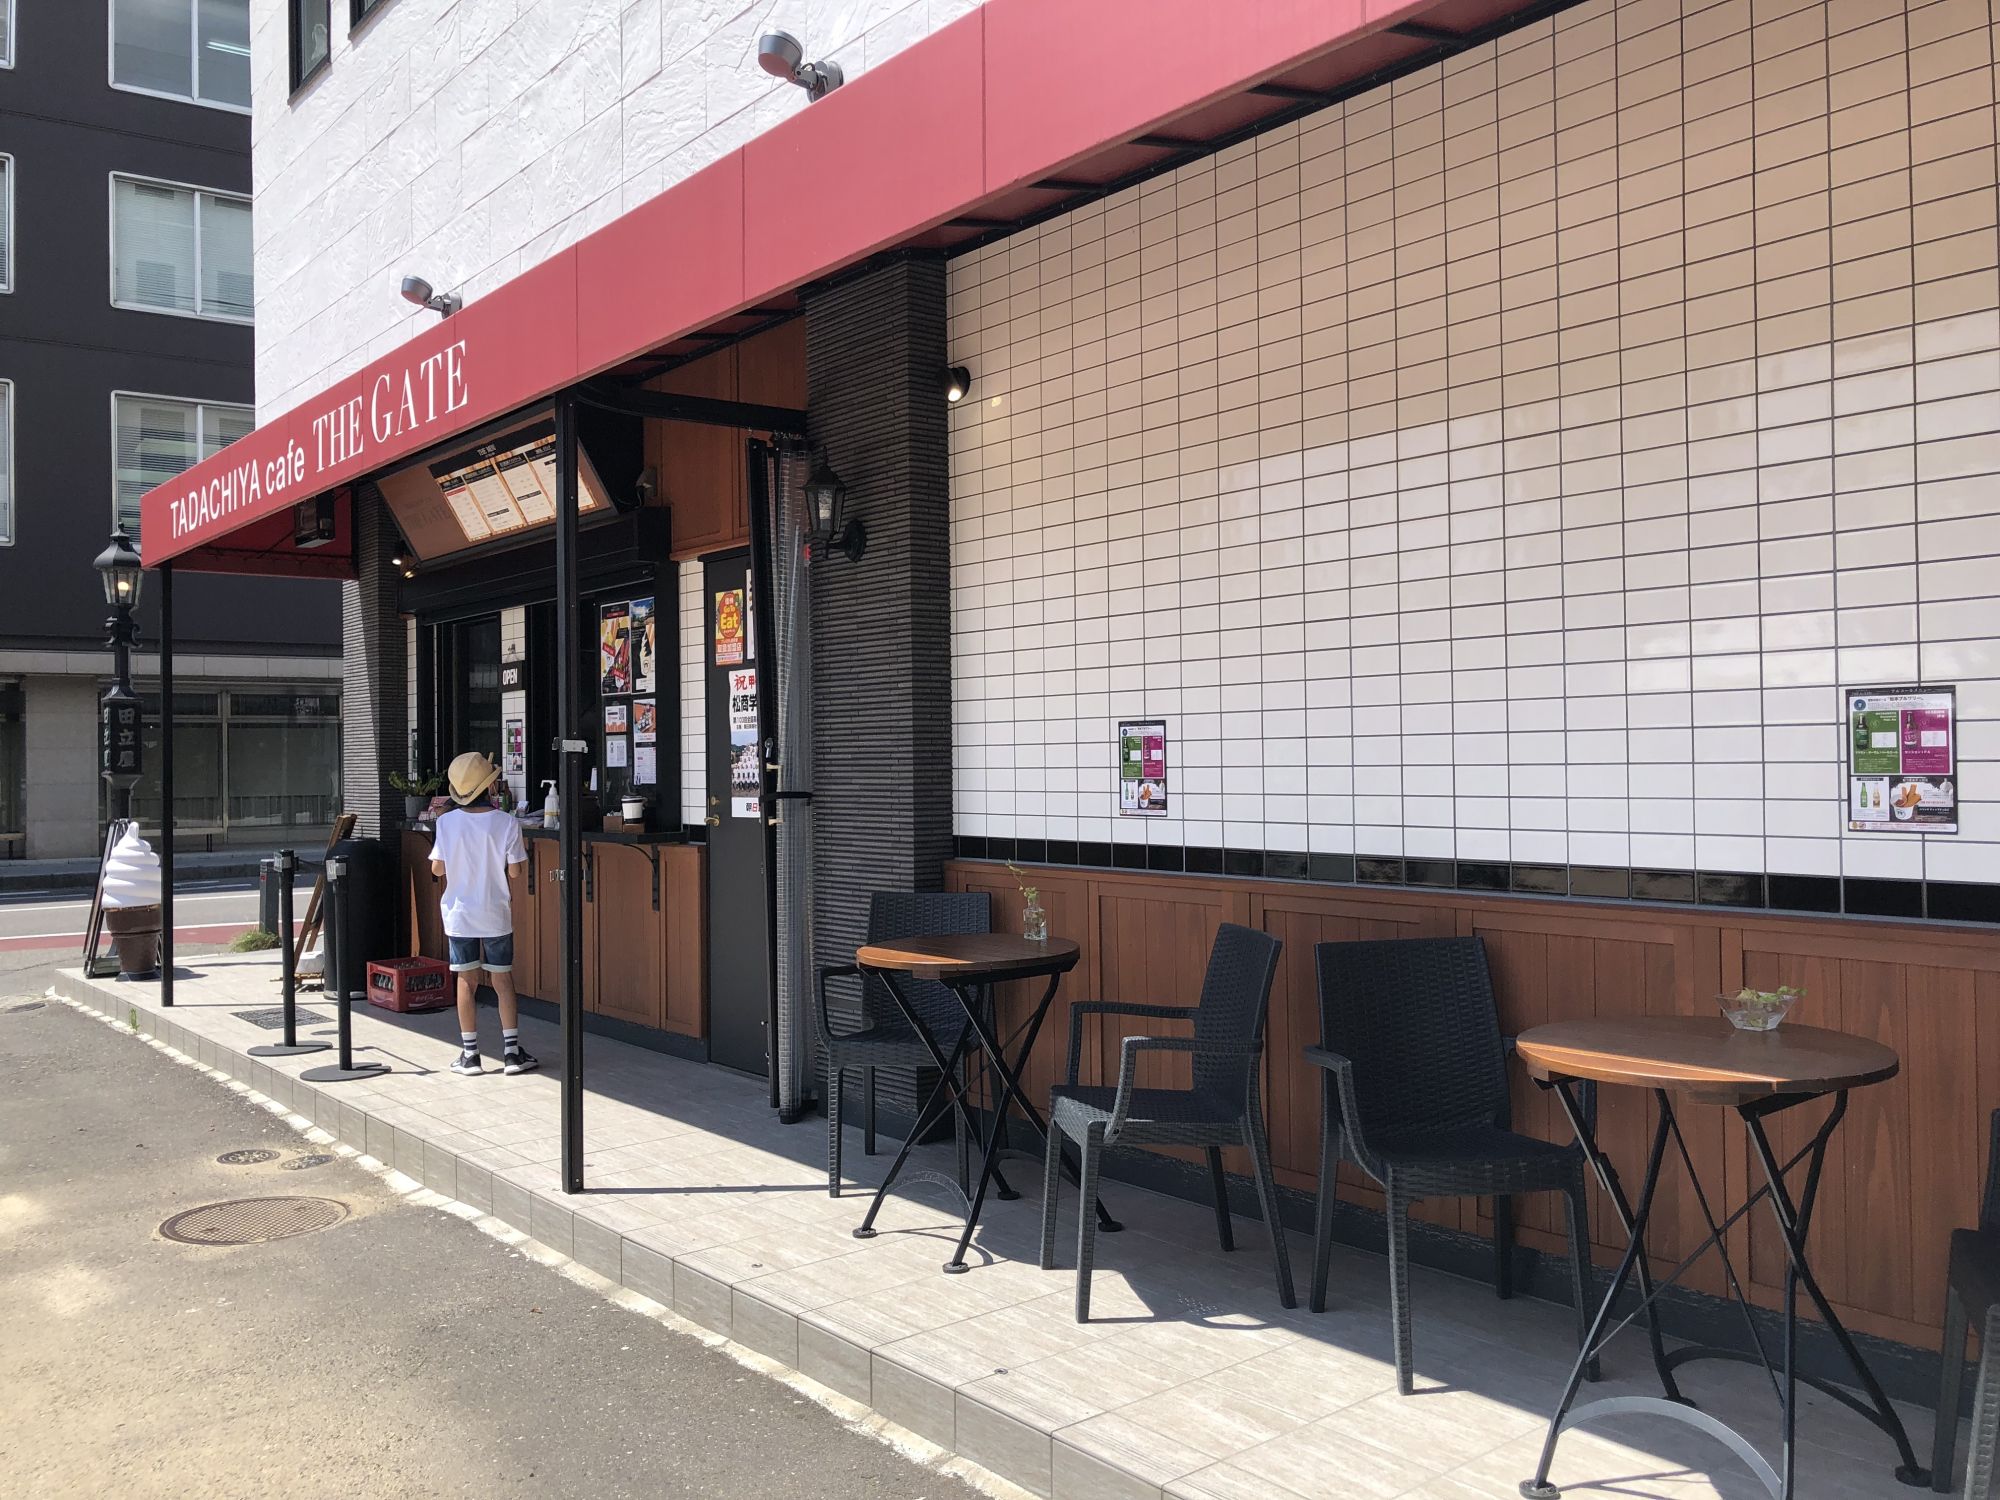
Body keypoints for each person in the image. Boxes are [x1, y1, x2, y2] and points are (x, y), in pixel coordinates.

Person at [429, 751, 537, 1077]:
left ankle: (470, 1055)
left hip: (460, 913)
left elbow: (437, 868)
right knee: (502, 980)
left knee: (466, 980)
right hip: (495, 912)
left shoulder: (445, 823)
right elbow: (515, 872)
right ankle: (512, 1054)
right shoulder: (507, 822)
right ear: (489, 787)